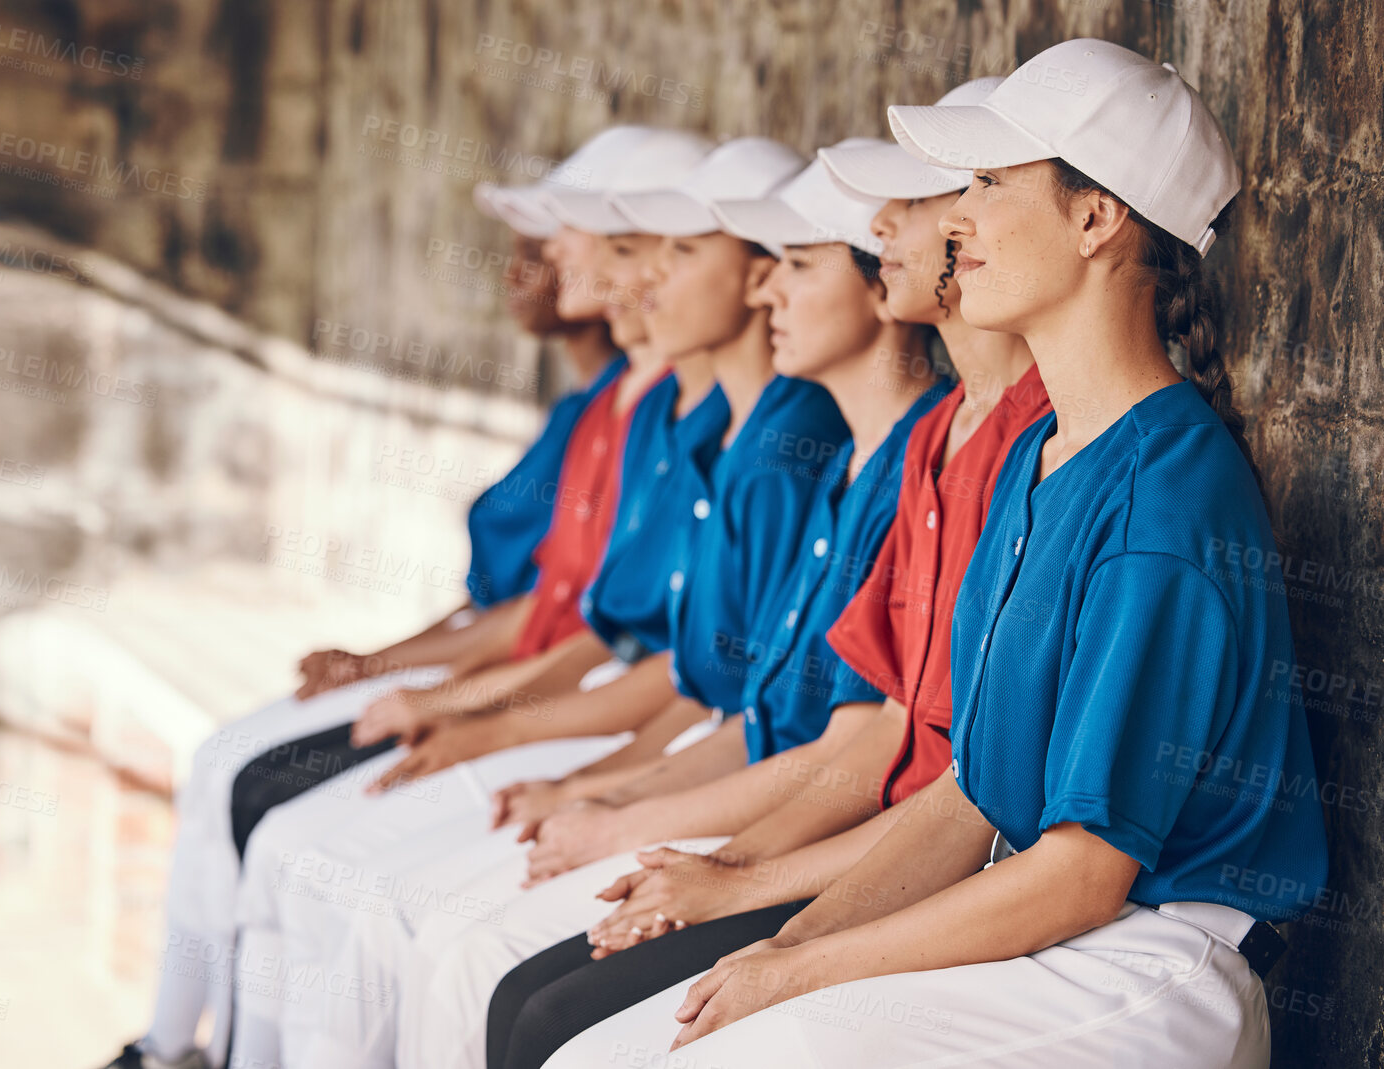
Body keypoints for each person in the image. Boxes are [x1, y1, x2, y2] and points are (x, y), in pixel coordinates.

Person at [546, 39, 1329, 1068]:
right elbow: (970, 789)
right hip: (1048, 917)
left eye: (990, 184)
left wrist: (790, 972)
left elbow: (1081, 872)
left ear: (1096, 219)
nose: (954, 218)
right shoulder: (1038, 458)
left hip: (1148, 957)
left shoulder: (1167, 497)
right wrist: (781, 941)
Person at [99, 127, 652, 1069]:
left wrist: (451, 702)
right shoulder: (602, 408)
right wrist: (394, 668)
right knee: (241, 780)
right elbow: (528, 602)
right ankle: (171, 1045)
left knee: (323, 862)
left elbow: (603, 631)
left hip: (588, 706)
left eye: (552, 246)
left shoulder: (675, 417)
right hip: (529, 678)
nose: (530, 269)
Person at [405, 142, 957, 1069]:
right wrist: (609, 792)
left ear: (880, 285)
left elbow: (860, 752)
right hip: (772, 807)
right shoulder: (836, 456)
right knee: (472, 948)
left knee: (506, 981)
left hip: (843, 838)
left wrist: (710, 859)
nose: (767, 294)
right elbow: (737, 701)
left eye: (795, 264)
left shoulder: (845, 449)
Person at [220, 127, 731, 1068]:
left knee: (397, 912)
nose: (601, 272)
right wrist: (422, 686)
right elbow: (586, 624)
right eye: (602, 246)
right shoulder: (642, 410)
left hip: (650, 739)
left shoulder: (753, 434)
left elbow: (690, 678)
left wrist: (566, 767)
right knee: (279, 817)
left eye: (633, 248)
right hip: (609, 718)